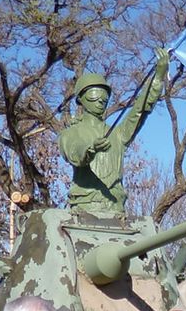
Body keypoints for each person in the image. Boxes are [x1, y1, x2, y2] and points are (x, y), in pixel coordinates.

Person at [58, 51, 170, 212]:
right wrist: (91, 149)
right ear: (81, 99)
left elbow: (140, 110)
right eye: (93, 96)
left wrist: (158, 77)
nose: (100, 101)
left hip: (117, 210)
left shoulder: (118, 134)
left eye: (104, 97)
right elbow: (75, 152)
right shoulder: (70, 133)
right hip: (85, 210)